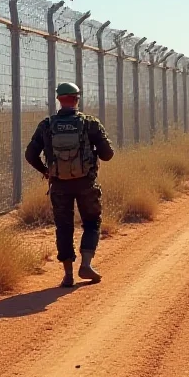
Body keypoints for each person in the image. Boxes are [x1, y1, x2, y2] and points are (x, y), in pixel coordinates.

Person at [25, 82, 114, 288]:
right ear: (77, 99)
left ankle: (67, 275)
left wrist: (46, 171)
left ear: (59, 100)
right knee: (92, 223)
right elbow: (108, 155)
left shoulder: (47, 125)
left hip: (59, 186)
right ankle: (86, 264)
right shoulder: (90, 123)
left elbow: (30, 154)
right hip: (86, 184)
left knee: (63, 227)